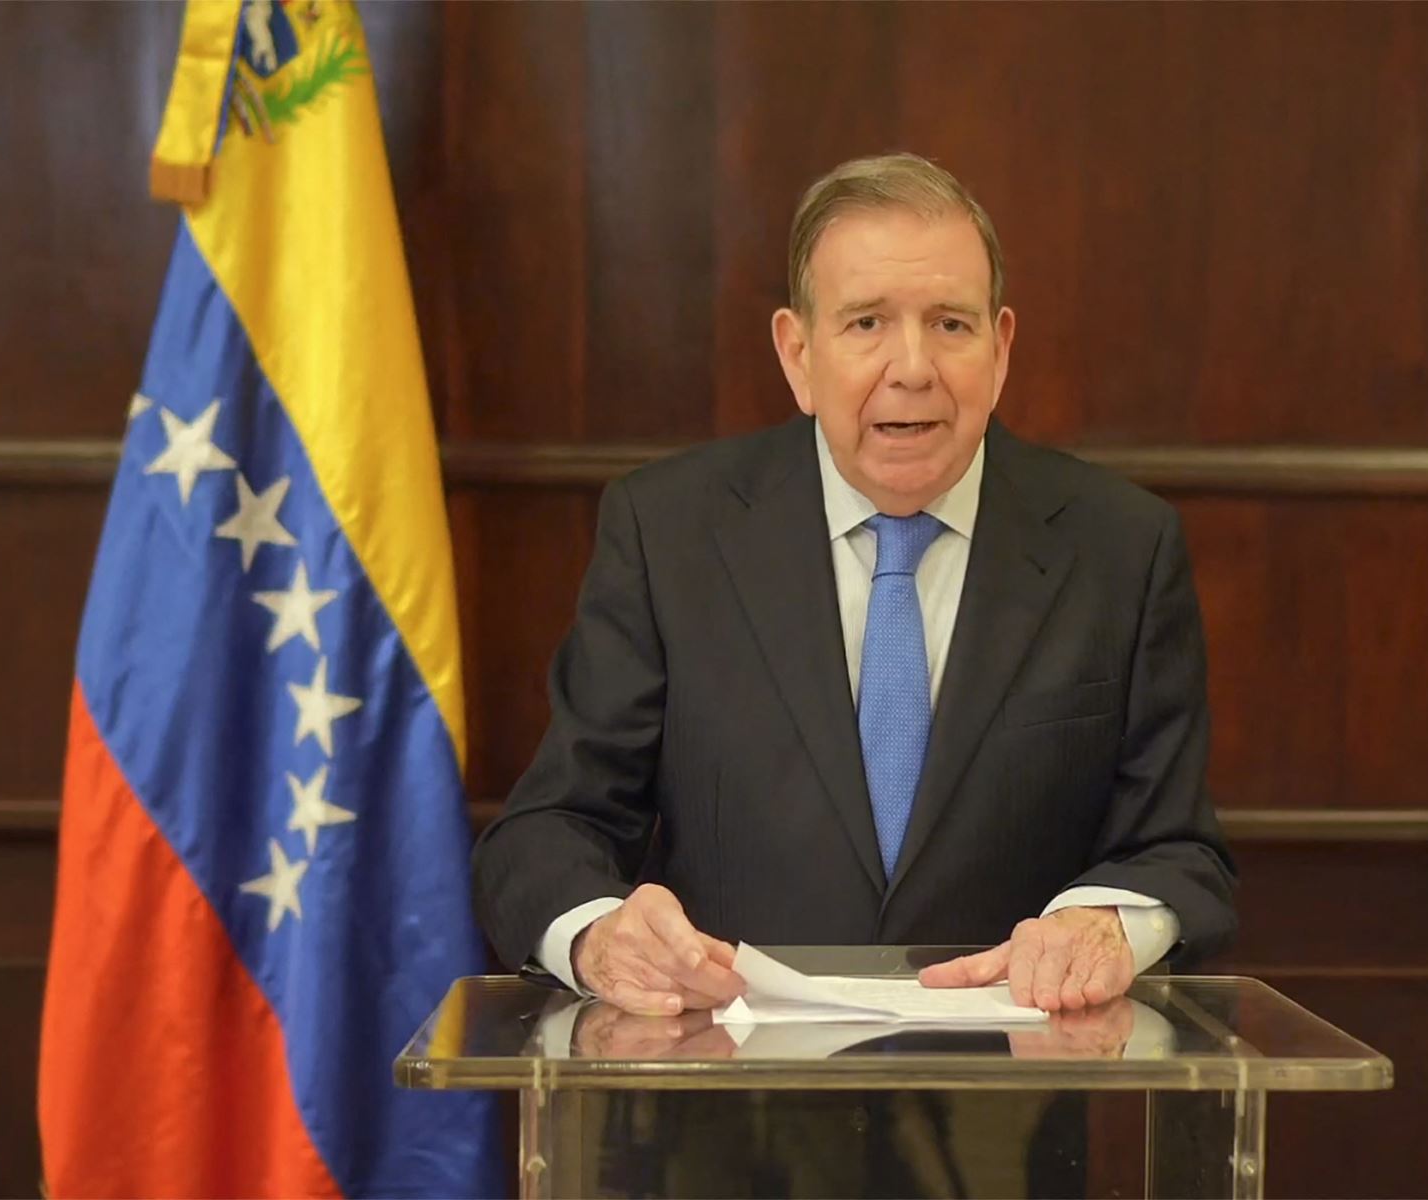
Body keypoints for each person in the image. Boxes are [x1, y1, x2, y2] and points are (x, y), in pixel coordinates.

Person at [472, 152, 1235, 1017]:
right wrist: (601, 937)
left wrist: (1104, 924)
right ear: (798, 353)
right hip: (724, 1101)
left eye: (951, 325)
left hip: (1003, 1110)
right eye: (867, 323)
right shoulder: (670, 532)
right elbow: (547, 830)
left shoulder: (1119, 547)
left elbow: (1177, 850)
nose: (912, 367)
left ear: (1002, 346)